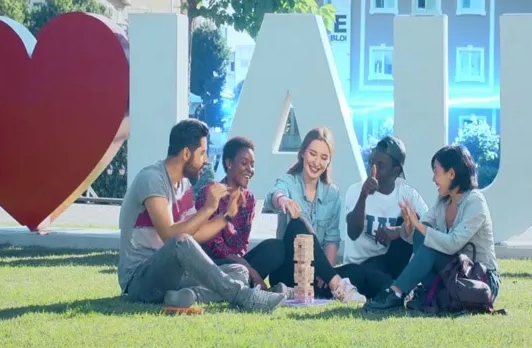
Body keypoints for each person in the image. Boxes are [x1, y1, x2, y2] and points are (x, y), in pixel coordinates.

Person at [118, 119, 286, 312]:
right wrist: (208, 208)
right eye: (202, 153)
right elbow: (170, 236)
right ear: (186, 154)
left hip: (175, 275)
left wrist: (226, 216)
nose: (206, 160)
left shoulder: (184, 186)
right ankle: (245, 297)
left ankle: (187, 295)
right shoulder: (152, 179)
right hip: (139, 279)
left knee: (239, 271)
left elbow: (195, 234)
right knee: (181, 241)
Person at [364, 145, 500, 311]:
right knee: (423, 236)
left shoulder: (475, 201)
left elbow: (452, 244)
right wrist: (409, 226)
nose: (433, 179)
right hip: (455, 273)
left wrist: (418, 225)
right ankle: (423, 292)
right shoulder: (443, 202)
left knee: (431, 244)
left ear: (451, 174)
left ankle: (396, 293)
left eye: (436, 171)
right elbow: (419, 233)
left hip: (480, 280)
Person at [264, 127, 372, 303]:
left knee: (356, 271)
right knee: (298, 224)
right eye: (312, 154)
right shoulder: (289, 181)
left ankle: (296, 291)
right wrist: (283, 199)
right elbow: (274, 195)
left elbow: (331, 239)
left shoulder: (333, 194)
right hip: (288, 269)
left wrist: (325, 273)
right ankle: (337, 286)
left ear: (329, 162)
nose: (316, 162)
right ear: (302, 153)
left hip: (315, 270)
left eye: (323, 157)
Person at [198, 136, 286, 290]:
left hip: (239, 263)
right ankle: (245, 284)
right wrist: (251, 271)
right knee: (238, 268)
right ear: (229, 163)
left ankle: (243, 283)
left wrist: (246, 266)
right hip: (213, 263)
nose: (250, 169)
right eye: (244, 163)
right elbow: (214, 246)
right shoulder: (211, 192)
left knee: (276, 248)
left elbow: (243, 244)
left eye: (252, 165)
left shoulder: (249, 198)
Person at [344, 136, 429, 280]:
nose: (373, 169)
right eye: (372, 162)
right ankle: (391, 287)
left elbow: (430, 227)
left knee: (409, 219)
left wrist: (399, 230)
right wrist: (363, 196)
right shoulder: (355, 190)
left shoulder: (407, 194)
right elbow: (353, 233)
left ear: (395, 171)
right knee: (370, 277)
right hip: (358, 267)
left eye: (380, 165)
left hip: (389, 267)